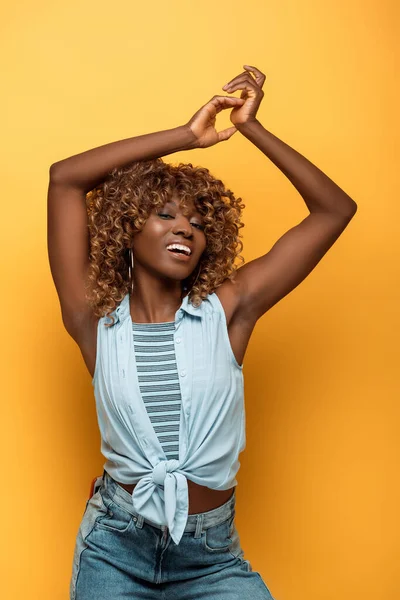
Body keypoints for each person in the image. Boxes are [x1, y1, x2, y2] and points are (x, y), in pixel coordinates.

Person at [47, 65, 357, 599]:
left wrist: (251, 127)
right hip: (113, 548)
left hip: (212, 558)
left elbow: (334, 210)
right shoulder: (93, 321)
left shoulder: (229, 311)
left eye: (197, 221)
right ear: (127, 228)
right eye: (164, 215)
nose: (185, 228)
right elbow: (65, 178)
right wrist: (187, 136)